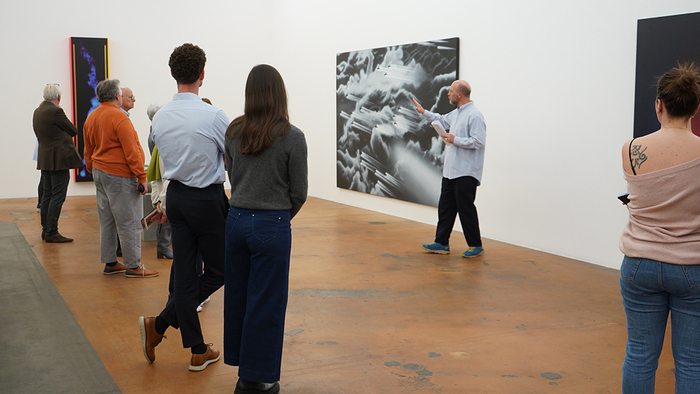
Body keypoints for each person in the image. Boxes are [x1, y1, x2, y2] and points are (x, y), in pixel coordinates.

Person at [139, 43, 228, 372]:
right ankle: (160, 323)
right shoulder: (214, 115)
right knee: (220, 271)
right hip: (206, 199)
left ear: (173, 74)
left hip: (176, 198)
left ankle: (196, 349)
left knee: (186, 276)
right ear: (202, 75)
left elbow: (163, 158)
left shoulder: (160, 118)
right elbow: (230, 157)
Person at [224, 64, 308, 394]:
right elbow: (298, 191)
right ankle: (258, 379)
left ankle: (244, 369)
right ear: (279, 93)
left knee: (239, 297)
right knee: (267, 302)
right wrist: (280, 217)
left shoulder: (233, 131)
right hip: (272, 224)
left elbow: (233, 176)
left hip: (236, 220)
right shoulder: (292, 136)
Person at [619, 63, 700, 393]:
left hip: (640, 265)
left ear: (659, 105)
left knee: (639, 356)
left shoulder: (630, 149)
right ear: (696, 108)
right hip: (692, 266)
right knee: (692, 361)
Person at [83, 79, 158, 278]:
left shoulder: (92, 116)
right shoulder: (119, 117)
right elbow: (131, 150)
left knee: (107, 219)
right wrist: (141, 177)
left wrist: (92, 168)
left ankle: (111, 262)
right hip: (120, 175)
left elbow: (87, 148)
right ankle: (133, 265)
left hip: (100, 172)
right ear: (117, 96)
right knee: (129, 221)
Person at [413, 80, 487, 258]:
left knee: (465, 209)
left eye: (451, 91)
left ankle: (476, 245)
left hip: (466, 172)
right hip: (450, 172)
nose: (448, 93)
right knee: (445, 208)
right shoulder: (456, 114)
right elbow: (441, 119)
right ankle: (441, 242)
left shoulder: (475, 115)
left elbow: (479, 141)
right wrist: (424, 112)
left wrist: (456, 139)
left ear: (459, 94)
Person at [33, 83, 83, 243]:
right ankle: (52, 231)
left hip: (45, 158)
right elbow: (73, 129)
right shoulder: (56, 111)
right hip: (58, 159)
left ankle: (46, 229)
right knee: (58, 195)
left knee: (47, 194)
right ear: (59, 97)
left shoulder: (38, 111)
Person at [145, 103, 173, 260]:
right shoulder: (157, 135)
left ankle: (163, 247)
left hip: (161, 177)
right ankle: (162, 247)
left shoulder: (155, 133)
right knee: (163, 213)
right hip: (162, 178)